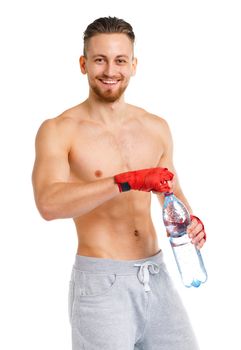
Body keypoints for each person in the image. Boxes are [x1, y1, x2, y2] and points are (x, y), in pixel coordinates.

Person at [32, 16, 206, 350]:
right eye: (100, 59)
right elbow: (48, 203)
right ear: (83, 64)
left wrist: (190, 222)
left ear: (134, 65)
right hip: (102, 283)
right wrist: (123, 182)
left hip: (157, 276)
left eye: (120, 60)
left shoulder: (156, 127)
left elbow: (171, 191)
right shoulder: (59, 129)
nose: (110, 70)